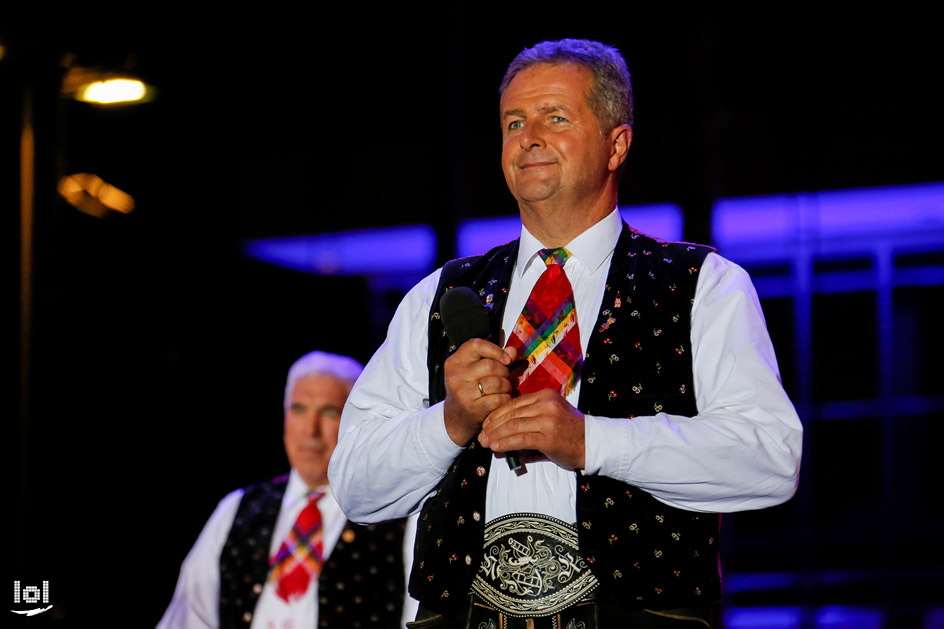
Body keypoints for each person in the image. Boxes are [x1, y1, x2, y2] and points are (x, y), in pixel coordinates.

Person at [328, 39, 803, 628]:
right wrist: (448, 423)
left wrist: (590, 442)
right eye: (514, 122)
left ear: (617, 144)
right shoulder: (437, 296)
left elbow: (771, 460)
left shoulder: (701, 285)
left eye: (555, 118)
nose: (529, 137)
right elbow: (353, 485)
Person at [158, 351, 418, 628]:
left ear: (358, 424)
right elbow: (188, 618)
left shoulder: (398, 514)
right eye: (299, 410)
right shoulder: (237, 510)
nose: (311, 430)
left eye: (330, 412)